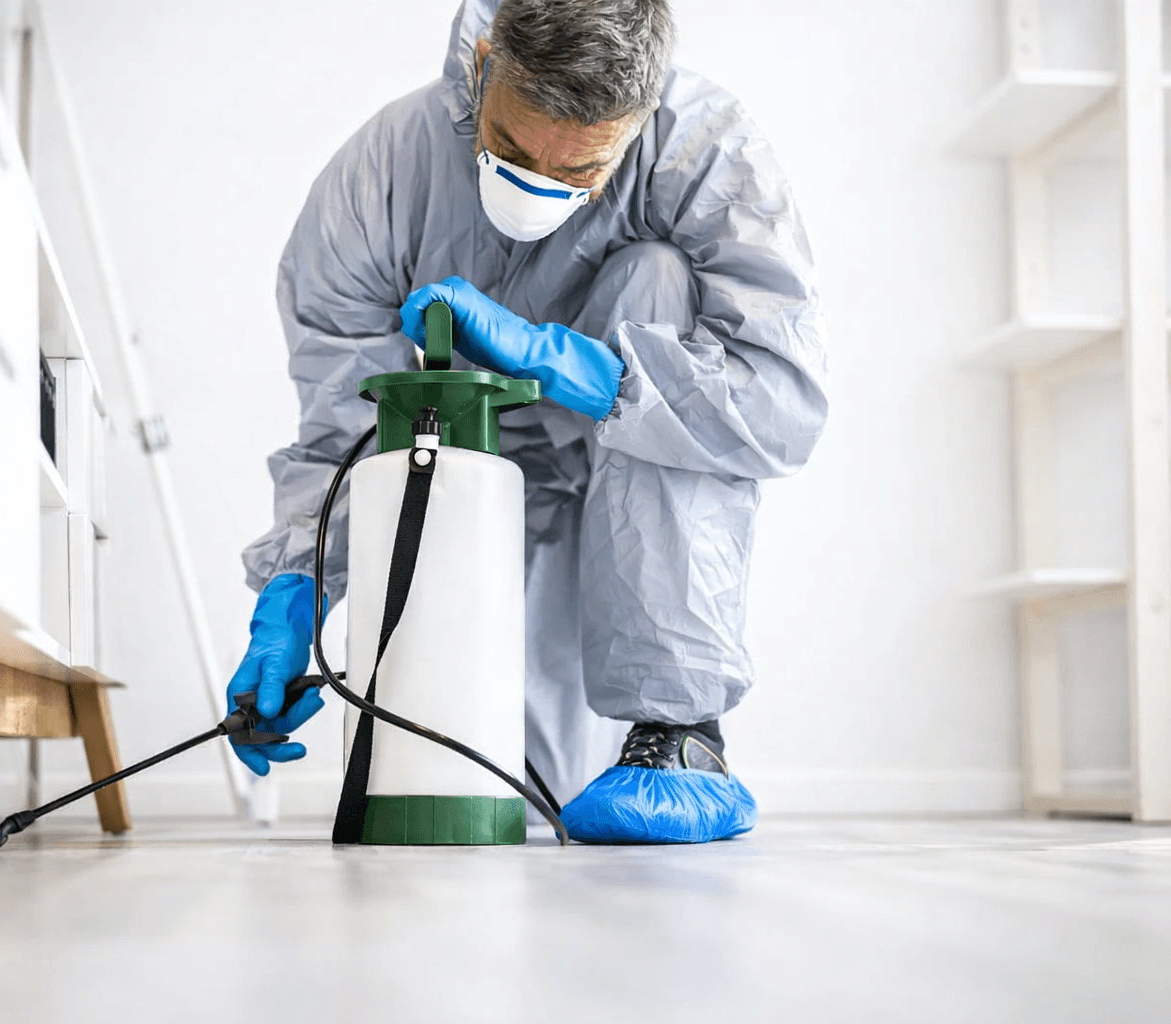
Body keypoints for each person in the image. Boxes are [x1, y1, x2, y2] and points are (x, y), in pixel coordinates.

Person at [226, 0, 827, 844]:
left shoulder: (706, 156)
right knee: (499, 786)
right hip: (459, 482)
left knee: (656, 275)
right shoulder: (380, 180)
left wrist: (586, 370)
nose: (536, 183)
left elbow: (779, 403)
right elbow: (343, 422)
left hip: (639, 479)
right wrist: (299, 586)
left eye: (580, 169)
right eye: (510, 147)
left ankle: (681, 739)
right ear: (483, 67)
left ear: (641, 117)